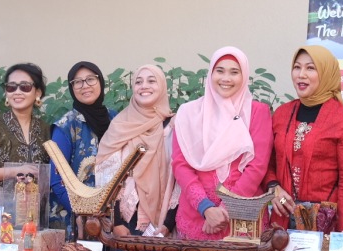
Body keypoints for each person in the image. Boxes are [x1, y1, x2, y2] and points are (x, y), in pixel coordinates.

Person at [171, 47, 272, 241]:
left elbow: (257, 166)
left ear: (244, 76)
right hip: (197, 215)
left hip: (242, 218)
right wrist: (206, 207)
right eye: (220, 70)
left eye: (234, 72)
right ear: (211, 73)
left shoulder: (257, 112)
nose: (226, 78)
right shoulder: (188, 113)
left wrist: (225, 209)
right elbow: (180, 164)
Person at [266, 46, 343, 233]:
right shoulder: (282, 114)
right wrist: (274, 188)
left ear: (326, 73)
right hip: (283, 219)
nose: (301, 74)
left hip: (324, 223)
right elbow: (268, 164)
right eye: (297, 67)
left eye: (310, 68)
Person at [95, 64, 178, 236]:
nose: (144, 86)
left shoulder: (173, 126)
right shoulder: (120, 125)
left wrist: (169, 224)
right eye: (139, 82)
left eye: (151, 81)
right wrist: (116, 222)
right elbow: (107, 175)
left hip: (165, 223)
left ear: (162, 87)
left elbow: (179, 178)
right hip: (126, 223)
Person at [0, 62, 54, 201]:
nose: (17, 92)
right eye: (11, 87)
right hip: (0, 214)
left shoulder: (47, 130)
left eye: (25, 87)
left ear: (37, 92)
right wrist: (14, 171)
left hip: (37, 213)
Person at [50, 61, 117, 233]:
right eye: (77, 82)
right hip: (78, 218)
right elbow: (56, 179)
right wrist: (81, 212)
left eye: (90, 79)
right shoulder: (66, 126)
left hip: (114, 216)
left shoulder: (115, 119)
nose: (84, 86)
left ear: (100, 82)